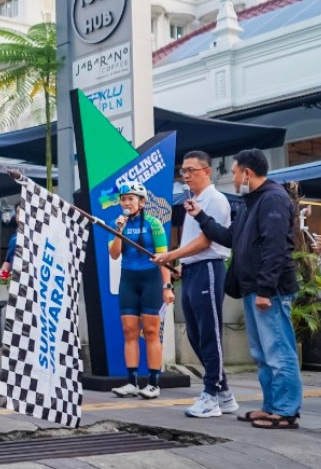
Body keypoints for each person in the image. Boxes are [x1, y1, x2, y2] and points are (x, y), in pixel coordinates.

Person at [186, 149, 301, 430]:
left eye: (235, 172)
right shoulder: (253, 202)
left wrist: (264, 289)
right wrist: (202, 217)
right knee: (262, 354)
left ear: (247, 173)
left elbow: (276, 250)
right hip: (254, 289)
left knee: (278, 352)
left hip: (270, 292)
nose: (234, 178)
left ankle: (285, 411)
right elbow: (230, 238)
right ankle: (271, 407)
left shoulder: (272, 199)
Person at [152, 151, 238, 418]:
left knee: (209, 334)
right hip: (192, 270)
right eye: (184, 171)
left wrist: (171, 255)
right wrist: (180, 264)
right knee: (194, 334)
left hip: (210, 269)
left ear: (207, 171)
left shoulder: (215, 200)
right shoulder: (193, 201)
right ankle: (223, 393)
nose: (186, 175)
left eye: (191, 170)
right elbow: (193, 241)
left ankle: (211, 395)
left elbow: (206, 242)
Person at [108, 181, 174, 400]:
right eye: (123, 199)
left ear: (142, 202)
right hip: (128, 279)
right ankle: (131, 381)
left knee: (152, 331)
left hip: (151, 279)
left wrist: (167, 286)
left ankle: (153, 382)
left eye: (131, 199)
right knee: (129, 330)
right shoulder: (116, 223)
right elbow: (114, 255)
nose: (126, 203)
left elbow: (163, 258)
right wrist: (118, 230)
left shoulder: (154, 223)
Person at [0, 203, 20, 279]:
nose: (20, 216)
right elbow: (8, 260)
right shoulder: (14, 237)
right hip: (15, 281)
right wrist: (3, 272)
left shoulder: (37, 235)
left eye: (23, 213)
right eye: (18, 213)